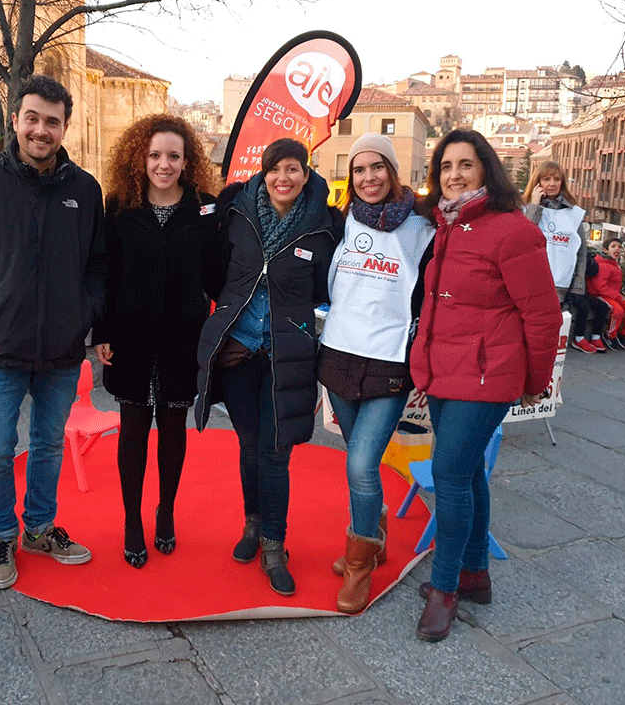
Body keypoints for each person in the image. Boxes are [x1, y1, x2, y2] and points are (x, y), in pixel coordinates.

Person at [0, 74, 105, 589]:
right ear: (15, 121)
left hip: (60, 350)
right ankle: (3, 536)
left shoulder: (84, 189)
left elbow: (98, 265)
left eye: (51, 121)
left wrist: (83, 318)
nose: (41, 130)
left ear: (64, 127)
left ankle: (38, 528)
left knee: (49, 444)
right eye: (32, 118)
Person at [409, 130, 561, 642]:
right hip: (442, 372)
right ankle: (476, 574)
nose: (454, 174)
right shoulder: (446, 226)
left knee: (448, 474)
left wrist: (534, 382)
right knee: (469, 471)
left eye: (465, 165)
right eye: (445, 166)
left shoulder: (512, 231)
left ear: (486, 170)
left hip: (487, 375)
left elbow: (543, 315)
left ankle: (444, 587)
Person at [195, 138, 339, 597]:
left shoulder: (322, 225)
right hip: (239, 352)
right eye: (276, 169)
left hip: (286, 356)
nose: (284, 178)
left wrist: (293, 321)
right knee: (250, 444)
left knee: (277, 452)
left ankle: (275, 545)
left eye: (293, 169)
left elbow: (323, 289)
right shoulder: (236, 211)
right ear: (264, 171)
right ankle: (252, 524)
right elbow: (215, 271)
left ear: (305, 173)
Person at [91, 114, 221, 568]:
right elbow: (106, 274)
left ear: (187, 161)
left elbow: (219, 274)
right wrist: (101, 331)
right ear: (140, 158)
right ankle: (132, 520)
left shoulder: (205, 209)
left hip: (183, 341)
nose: (163, 164)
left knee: (172, 431)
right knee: (131, 431)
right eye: (154, 155)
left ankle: (165, 512)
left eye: (173, 156)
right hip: (130, 339)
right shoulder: (120, 207)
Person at [317, 134, 435, 614]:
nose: (368, 178)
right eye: (360, 169)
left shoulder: (423, 225)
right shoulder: (338, 221)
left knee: (361, 465)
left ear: (392, 169)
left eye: (377, 167)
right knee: (356, 457)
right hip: (339, 352)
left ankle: (359, 564)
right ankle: (376, 533)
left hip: (389, 359)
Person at [523, 161, 608, 354]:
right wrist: (534, 206)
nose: (552, 183)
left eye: (556, 179)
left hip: (560, 283)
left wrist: (578, 284)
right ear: (537, 182)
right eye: (546, 179)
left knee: (550, 334)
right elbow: (524, 238)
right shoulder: (525, 208)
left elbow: (581, 250)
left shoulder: (573, 213)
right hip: (531, 282)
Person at [587, 237, 625, 350]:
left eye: (619, 247)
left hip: (613, 295)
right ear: (605, 250)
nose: (617, 249)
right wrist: (618, 297)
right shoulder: (603, 265)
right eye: (613, 246)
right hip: (602, 295)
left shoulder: (614, 264)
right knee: (618, 310)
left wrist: (618, 296)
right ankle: (610, 335)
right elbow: (600, 287)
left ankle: (624, 335)